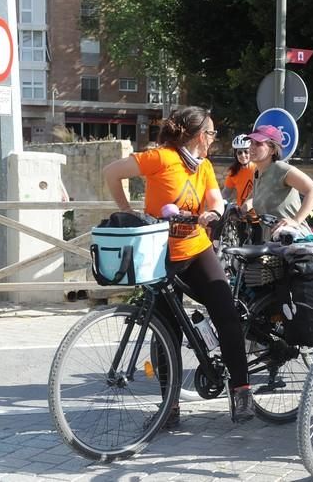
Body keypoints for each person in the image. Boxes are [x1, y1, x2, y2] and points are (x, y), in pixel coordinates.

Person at [102, 106, 254, 424]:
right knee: (164, 331)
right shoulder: (161, 158)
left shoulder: (204, 166)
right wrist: (130, 214)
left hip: (197, 250)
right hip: (161, 254)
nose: (213, 139)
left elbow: (214, 199)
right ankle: (169, 407)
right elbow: (111, 173)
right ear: (201, 135)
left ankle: (241, 392)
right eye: (211, 133)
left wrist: (211, 213)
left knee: (226, 313)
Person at [241, 124, 313, 239]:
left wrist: (295, 221)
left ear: (272, 150)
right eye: (251, 143)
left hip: (294, 242)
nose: (252, 147)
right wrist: (244, 207)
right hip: (274, 245)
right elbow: (259, 195)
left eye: (258, 143)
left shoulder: (281, 169)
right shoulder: (258, 172)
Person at [223, 134, 256, 207]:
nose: (243, 155)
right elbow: (226, 192)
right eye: (239, 152)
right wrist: (220, 202)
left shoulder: (258, 169)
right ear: (236, 155)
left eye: (246, 152)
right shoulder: (234, 172)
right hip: (241, 213)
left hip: (258, 213)